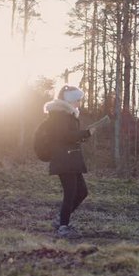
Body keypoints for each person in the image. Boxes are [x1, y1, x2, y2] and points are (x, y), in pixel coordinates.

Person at [43, 85, 97, 237]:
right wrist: (85, 133)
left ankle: (61, 220)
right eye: (78, 99)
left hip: (70, 159)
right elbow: (65, 135)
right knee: (70, 193)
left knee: (82, 192)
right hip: (64, 159)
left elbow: (69, 137)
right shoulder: (60, 114)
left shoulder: (67, 115)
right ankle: (63, 227)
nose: (80, 103)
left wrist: (84, 135)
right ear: (70, 100)